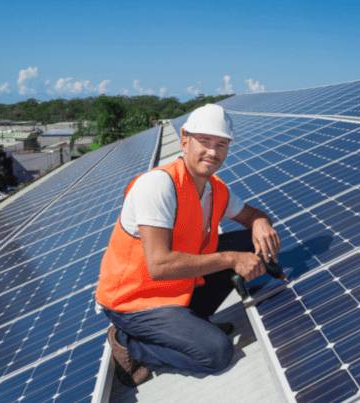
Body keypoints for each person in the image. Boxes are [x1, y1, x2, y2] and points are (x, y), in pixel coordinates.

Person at [95, 104, 281, 387]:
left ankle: (191, 324)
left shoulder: (215, 188)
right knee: (216, 353)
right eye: (204, 141)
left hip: (178, 286)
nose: (213, 152)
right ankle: (128, 342)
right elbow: (159, 265)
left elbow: (254, 216)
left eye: (221, 144)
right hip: (136, 301)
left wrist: (260, 223)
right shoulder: (158, 186)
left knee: (253, 241)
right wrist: (232, 259)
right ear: (184, 140)